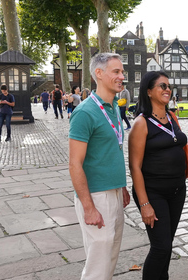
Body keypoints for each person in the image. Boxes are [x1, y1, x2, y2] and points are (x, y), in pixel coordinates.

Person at [128, 71, 188, 280]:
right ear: (149, 91)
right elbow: (135, 167)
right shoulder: (141, 123)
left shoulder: (171, 117)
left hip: (177, 191)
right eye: (162, 86)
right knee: (161, 247)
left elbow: (180, 147)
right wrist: (145, 204)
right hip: (153, 193)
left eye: (168, 86)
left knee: (167, 244)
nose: (167, 89)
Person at [69, 53, 130, 280]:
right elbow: (75, 164)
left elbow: (110, 151)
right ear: (99, 74)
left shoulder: (113, 107)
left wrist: (121, 186)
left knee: (109, 258)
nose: (121, 76)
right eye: (116, 72)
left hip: (113, 192)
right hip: (96, 196)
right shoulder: (85, 112)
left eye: (122, 72)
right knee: (98, 264)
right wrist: (88, 207)